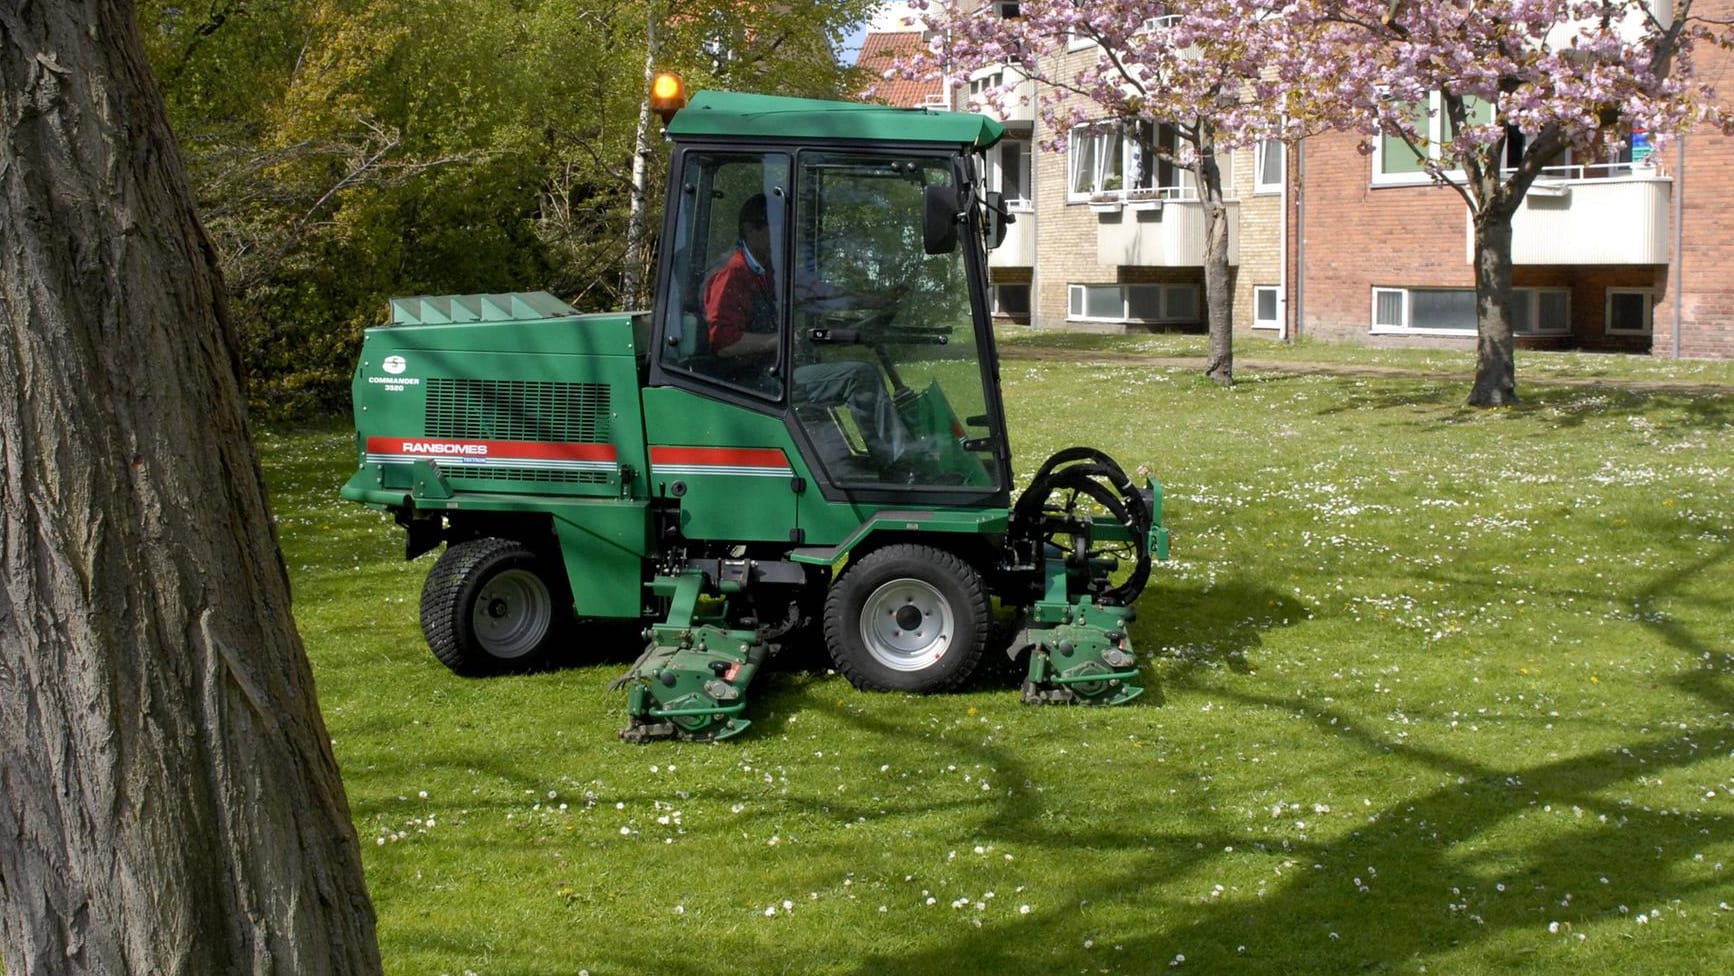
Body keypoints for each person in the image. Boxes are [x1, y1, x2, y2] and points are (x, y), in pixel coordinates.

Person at [703, 194, 912, 472]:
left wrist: (874, 300)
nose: (783, 238)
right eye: (776, 230)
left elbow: (819, 292)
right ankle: (902, 469)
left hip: (772, 371)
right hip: (753, 381)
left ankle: (869, 469)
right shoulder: (732, 273)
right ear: (751, 229)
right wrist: (780, 340)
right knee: (860, 376)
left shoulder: (765, 270)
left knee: (851, 371)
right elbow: (723, 343)